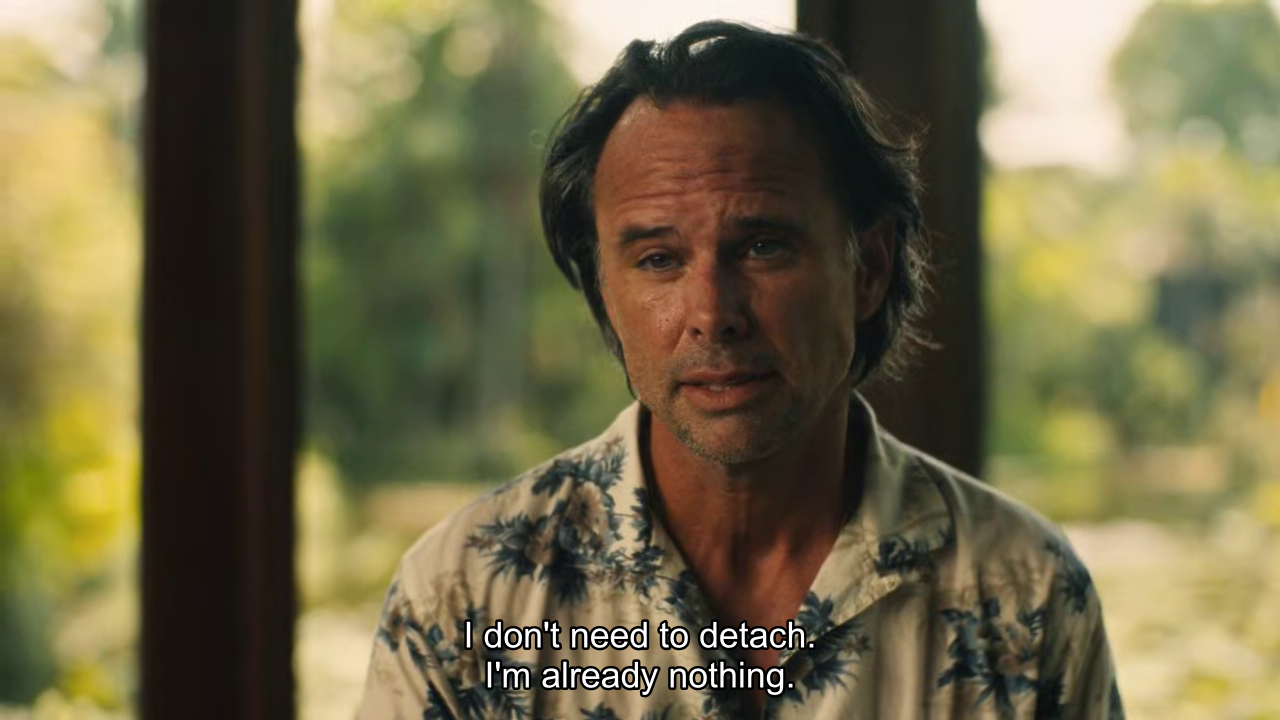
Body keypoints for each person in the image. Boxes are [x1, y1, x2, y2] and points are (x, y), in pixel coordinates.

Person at [357, 21, 1124, 720]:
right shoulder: (465, 600)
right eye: (658, 259)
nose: (712, 313)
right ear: (604, 294)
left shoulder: (1024, 592)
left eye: (763, 247)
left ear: (869, 267)